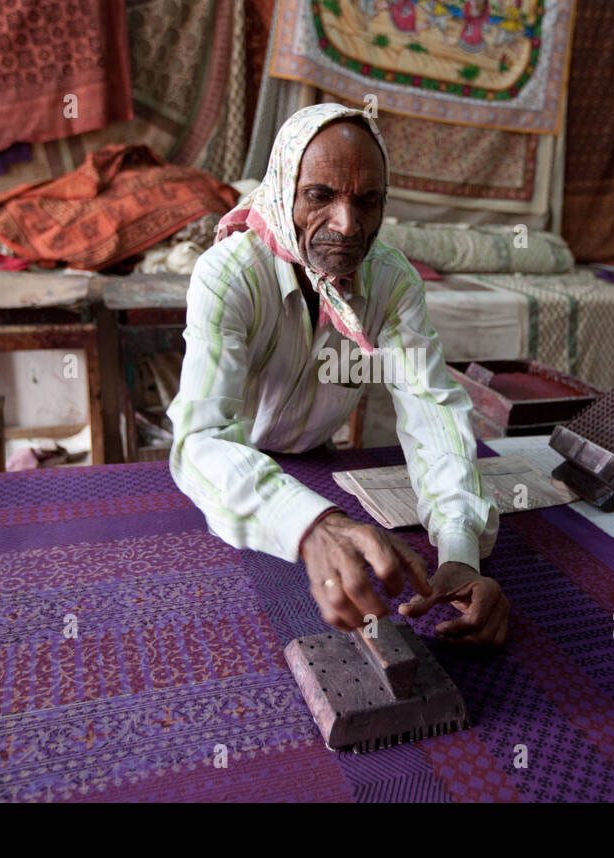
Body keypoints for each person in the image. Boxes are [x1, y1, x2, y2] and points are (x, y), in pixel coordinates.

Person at [169, 103, 507, 646]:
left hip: (321, 470)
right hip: (231, 488)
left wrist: (460, 551)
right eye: (320, 196)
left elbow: (432, 411)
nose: (347, 226)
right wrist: (314, 526)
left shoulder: (391, 282)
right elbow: (201, 441)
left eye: (367, 200)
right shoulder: (228, 275)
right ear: (283, 189)